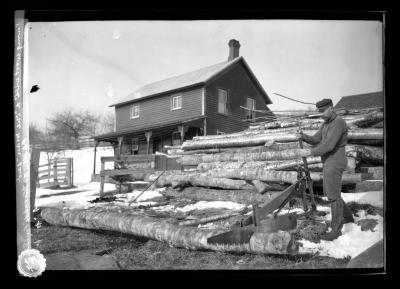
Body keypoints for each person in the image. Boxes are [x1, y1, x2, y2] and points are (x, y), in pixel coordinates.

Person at [296, 98, 354, 241]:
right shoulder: (325, 124)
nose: (321, 114)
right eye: (319, 112)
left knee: (333, 196)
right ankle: (348, 217)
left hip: (335, 160)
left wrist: (309, 152)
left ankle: (336, 230)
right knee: (332, 192)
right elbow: (316, 139)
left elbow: (329, 145)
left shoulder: (338, 122)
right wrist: (303, 136)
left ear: (331, 108)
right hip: (329, 161)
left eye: (323, 111)